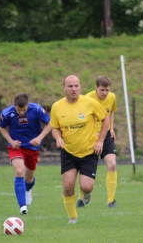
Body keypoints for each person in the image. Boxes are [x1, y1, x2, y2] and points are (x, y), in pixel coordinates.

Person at [50, 75, 109, 224]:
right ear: (64, 88)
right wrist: (58, 138)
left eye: (76, 86)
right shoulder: (57, 106)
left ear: (80, 87)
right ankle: (73, 217)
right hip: (69, 152)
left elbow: (105, 119)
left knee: (86, 187)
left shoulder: (90, 103)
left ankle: (87, 194)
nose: (74, 89)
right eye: (70, 86)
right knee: (68, 185)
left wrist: (101, 141)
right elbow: (55, 128)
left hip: (89, 152)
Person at [0, 93, 51, 215]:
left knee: (29, 179)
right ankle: (23, 207)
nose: (21, 112)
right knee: (19, 171)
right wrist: (11, 141)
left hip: (32, 147)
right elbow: (2, 128)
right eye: (18, 110)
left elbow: (49, 124)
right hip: (16, 147)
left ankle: (28, 190)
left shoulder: (37, 109)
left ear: (28, 105)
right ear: (14, 105)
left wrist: (39, 138)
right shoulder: (6, 113)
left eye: (24, 109)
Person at [77, 75, 118, 208]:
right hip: (90, 136)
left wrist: (111, 128)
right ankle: (81, 197)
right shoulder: (87, 99)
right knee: (84, 166)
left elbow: (111, 111)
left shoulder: (112, 97)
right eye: (102, 90)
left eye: (107, 90)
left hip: (105, 135)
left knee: (112, 165)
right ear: (96, 88)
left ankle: (111, 201)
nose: (105, 93)